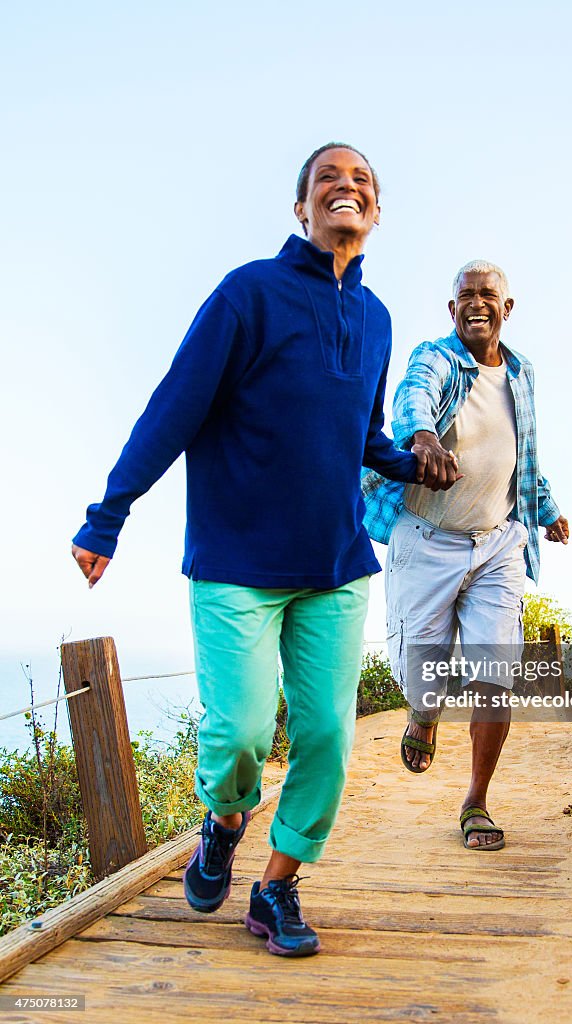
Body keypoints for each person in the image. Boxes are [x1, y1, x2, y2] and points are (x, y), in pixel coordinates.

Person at [71, 143, 456, 956]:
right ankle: (223, 819)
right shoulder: (248, 293)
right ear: (301, 209)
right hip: (236, 562)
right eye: (328, 179)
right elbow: (174, 406)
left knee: (327, 739)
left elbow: (362, 435)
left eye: (361, 182)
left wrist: (411, 458)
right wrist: (109, 512)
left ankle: (275, 887)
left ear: (376, 214)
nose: (345, 188)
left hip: (334, 566)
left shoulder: (378, 317)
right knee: (241, 733)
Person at [362, 260, 569, 851]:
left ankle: (476, 801)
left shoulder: (522, 373)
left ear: (507, 308)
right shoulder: (437, 357)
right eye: (465, 297)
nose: (477, 304)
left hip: (499, 542)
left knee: (494, 677)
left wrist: (547, 508)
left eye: (488, 295)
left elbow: (521, 452)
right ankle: (423, 715)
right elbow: (413, 398)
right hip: (426, 541)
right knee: (422, 679)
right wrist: (421, 436)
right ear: (451, 310)